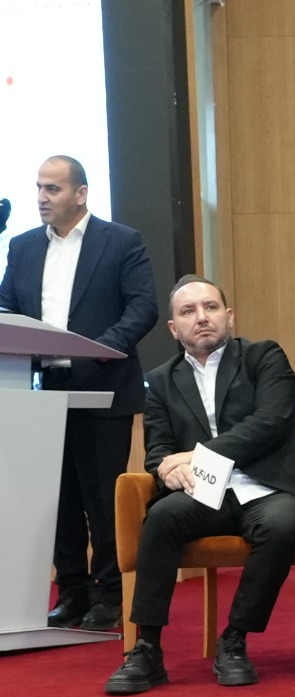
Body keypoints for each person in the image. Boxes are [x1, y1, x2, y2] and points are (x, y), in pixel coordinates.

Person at [106, 276, 295, 694]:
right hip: (203, 493)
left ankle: (234, 639)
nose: (201, 317)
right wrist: (165, 470)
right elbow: (159, 450)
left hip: (267, 486)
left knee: (281, 524)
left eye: (211, 307)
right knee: (161, 518)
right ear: (173, 328)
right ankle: (147, 648)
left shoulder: (264, 357)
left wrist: (197, 455)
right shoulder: (160, 381)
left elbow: (270, 422)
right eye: (188, 311)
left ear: (229, 316)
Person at [0, 155, 157, 632]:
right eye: (39, 188)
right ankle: (71, 590)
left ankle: (109, 593)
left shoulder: (121, 241)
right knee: (57, 499)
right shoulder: (24, 246)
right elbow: (7, 305)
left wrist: (97, 350)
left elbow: (142, 307)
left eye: (53, 189)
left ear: (81, 193)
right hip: (41, 391)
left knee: (102, 500)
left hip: (103, 387)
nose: (42, 198)